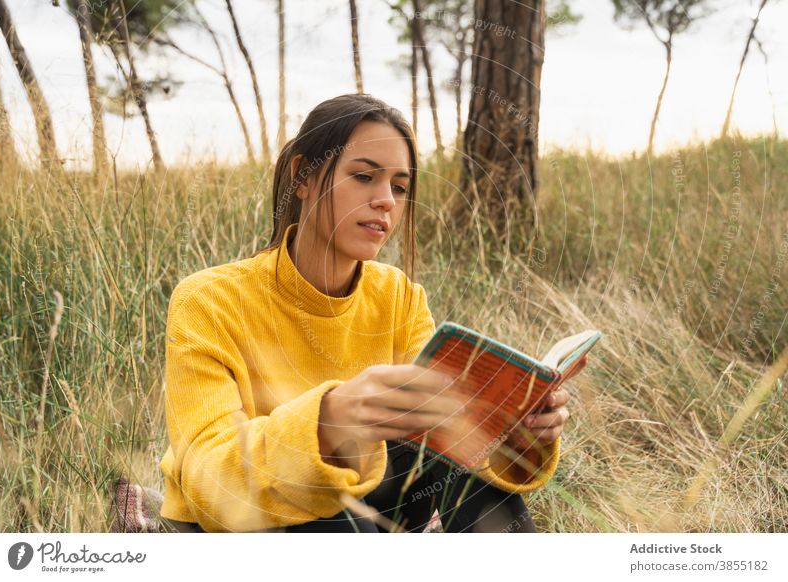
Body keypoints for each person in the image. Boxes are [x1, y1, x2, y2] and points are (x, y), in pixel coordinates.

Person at [159, 93, 581, 533]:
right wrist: (326, 424)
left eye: (399, 187)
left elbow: (445, 435)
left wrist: (517, 432)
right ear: (302, 177)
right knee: (329, 508)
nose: (386, 201)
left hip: (372, 504)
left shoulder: (399, 296)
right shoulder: (208, 300)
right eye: (364, 176)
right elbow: (209, 480)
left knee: (460, 462)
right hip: (240, 523)